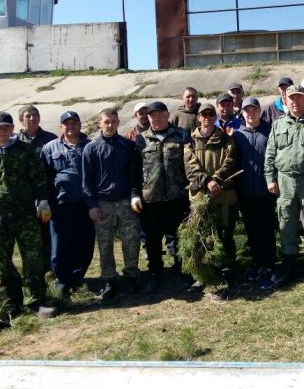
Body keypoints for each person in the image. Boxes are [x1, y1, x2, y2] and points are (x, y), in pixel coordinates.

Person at [0, 111, 55, 318]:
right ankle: (13, 302)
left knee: (33, 259)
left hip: (25, 215)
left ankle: (37, 302)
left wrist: (43, 201)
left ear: (13, 128)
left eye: (7, 127)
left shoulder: (24, 151)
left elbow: (39, 178)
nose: (4, 131)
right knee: (3, 261)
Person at [264, 85, 304, 289]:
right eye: (292, 98)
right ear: (285, 100)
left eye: (299, 98)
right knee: (286, 222)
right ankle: (289, 268)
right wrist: (270, 178)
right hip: (284, 181)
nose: (295, 102)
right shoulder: (278, 124)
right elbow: (270, 153)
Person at [82, 108, 143, 300]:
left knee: (131, 240)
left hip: (125, 202)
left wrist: (135, 195)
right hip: (102, 204)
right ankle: (109, 279)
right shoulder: (91, 148)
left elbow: (135, 174)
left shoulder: (128, 145)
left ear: (118, 123)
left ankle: (132, 275)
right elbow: (87, 181)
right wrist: (91, 205)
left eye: (113, 122)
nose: (110, 125)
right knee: (105, 244)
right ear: (100, 123)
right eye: (106, 122)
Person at [134, 101, 191, 292]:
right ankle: (155, 273)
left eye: (159, 115)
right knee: (152, 239)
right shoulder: (140, 139)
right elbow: (134, 171)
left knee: (179, 238)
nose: (156, 119)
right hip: (151, 200)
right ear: (147, 118)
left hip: (177, 198)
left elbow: (189, 166)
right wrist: (135, 195)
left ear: (167, 115)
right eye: (152, 116)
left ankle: (182, 271)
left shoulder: (182, 135)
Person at [40, 111, 95, 300]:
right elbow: (43, 177)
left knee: (85, 243)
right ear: (61, 127)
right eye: (67, 123)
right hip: (60, 204)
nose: (70, 126)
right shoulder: (49, 148)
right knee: (60, 246)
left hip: (85, 204)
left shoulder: (90, 146)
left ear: (80, 125)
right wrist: (43, 201)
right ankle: (63, 281)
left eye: (74, 123)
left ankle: (77, 278)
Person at [184, 103, 240, 273]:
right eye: (204, 115)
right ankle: (206, 270)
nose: (207, 118)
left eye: (210, 114)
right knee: (203, 234)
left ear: (215, 118)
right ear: (198, 118)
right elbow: (190, 166)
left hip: (224, 196)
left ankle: (229, 267)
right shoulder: (190, 141)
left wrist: (216, 179)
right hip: (200, 196)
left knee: (225, 233)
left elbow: (230, 162)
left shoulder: (226, 139)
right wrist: (207, 182)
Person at [232, 97, 277, 289]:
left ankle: (269, 267)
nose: (251, 114)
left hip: (265, 190)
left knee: (266, 230)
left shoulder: (270, 130)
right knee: (251, 231)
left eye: (254, 110)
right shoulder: (237, 135)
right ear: (242, 113)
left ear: (260, 111)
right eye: (247, 111)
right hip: (245, 193)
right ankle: (257, 264)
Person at [16, 104, 57, 273]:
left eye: (35, 115)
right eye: (28, 116)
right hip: (25, 197)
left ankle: (51, 271)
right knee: (29, 238)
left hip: (47, 195)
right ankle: (33, 272)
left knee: (48, 234)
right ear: (21, 120)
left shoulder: (50, 139)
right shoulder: (14, 141)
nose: (32, 119)